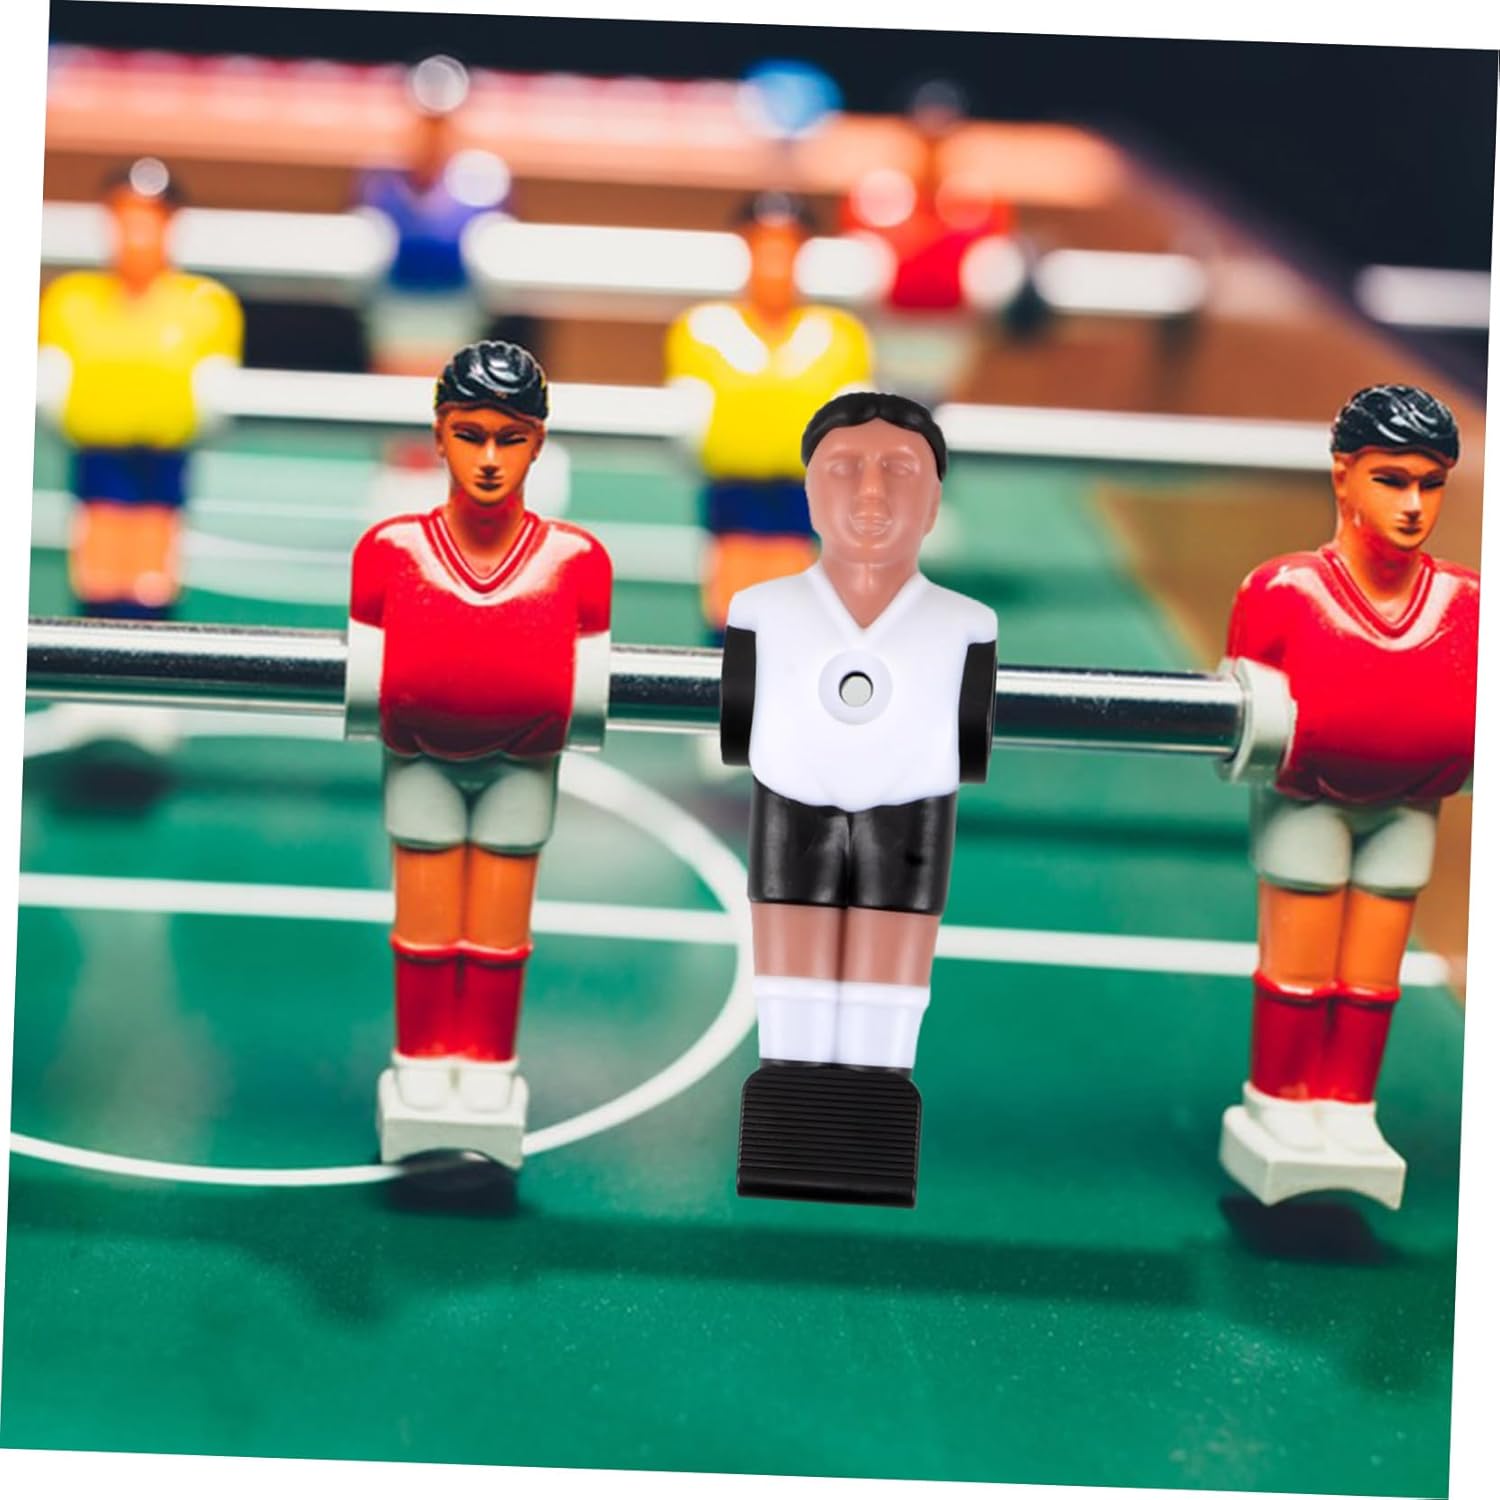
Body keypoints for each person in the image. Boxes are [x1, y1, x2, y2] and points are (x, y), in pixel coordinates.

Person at [720, 392, 997, 1206]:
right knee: (792, 987)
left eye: (900, 472)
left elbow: (970, 742)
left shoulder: (965, 625)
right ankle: (789, 1132)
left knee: (889, 985)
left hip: (912, 815)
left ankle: (871, 1138)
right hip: (790, 806)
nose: (871, 495)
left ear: (936, 501)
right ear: (807, 492)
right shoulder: (760, 612)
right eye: (844, 469)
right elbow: (738, 728)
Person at [347, 341, 612, 1167]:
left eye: (510, 437)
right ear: (438, 436)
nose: (489, 458)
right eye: (470, 434)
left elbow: (593, 678)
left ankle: (489, 1065)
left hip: (523, 765)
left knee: (499, 938)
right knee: (425, 933)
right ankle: (423, 1065)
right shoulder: (389, 551)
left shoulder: (579, 562)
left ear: (539, 443)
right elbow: (362, 673)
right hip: (420, 760)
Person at [1218, 384, 1478, 1210]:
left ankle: (1349, 1106)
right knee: (1298, 971)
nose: (1413, 505)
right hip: (1308, 802)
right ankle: (1280, 1098)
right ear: (1343, 475)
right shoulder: (1281, 591)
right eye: (1391, 479)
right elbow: (1241, 708)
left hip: (1412, 809)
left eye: (1430, 483)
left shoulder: (1469, 603)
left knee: (1372, 978)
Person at [37, 157, 243, 618]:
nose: (138, 232)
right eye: (126, 217)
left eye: (151, 218)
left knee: (152, 570)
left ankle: (148, 644)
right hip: (96, 453)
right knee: (99, 567)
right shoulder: (72, 299)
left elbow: (213, 387)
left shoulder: (205, 304)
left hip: (163, 455)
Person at [665, 192, 873, 644]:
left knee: (792, 601)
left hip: (803, 493)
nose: (774, 263)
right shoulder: (704, 330)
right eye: (763, 247)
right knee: (732, 601)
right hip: (732, 487)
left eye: (786, 249)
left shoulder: (838, 336)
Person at [840, 80, 1013, 404]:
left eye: (943, 130)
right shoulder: (876, 195)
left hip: (949, 337)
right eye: (924, 129)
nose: (932, 140)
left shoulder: (980, 200)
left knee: (938, 419)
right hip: (887, 332)